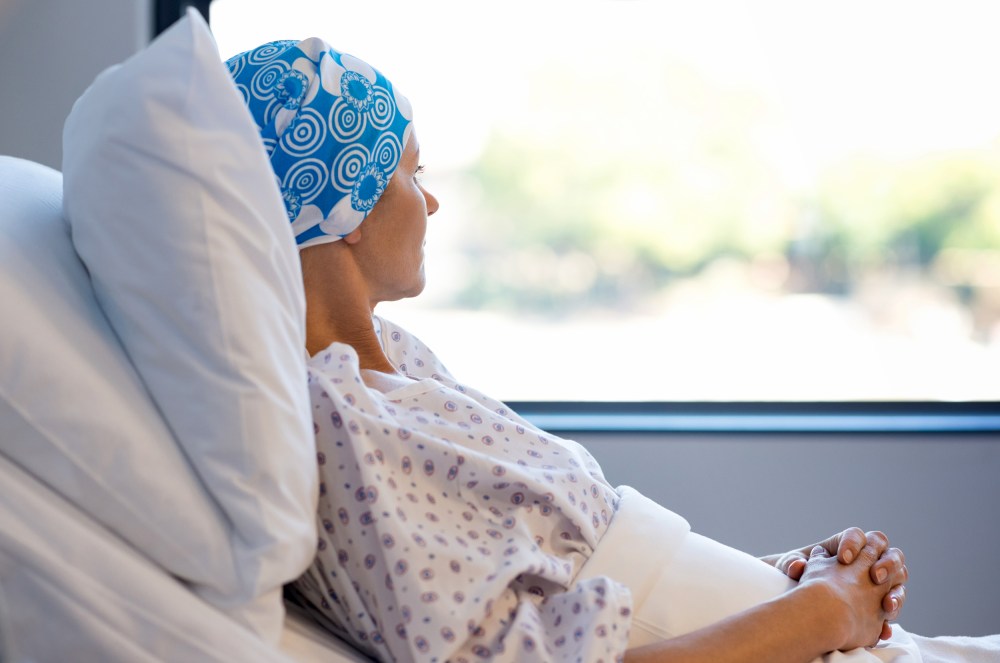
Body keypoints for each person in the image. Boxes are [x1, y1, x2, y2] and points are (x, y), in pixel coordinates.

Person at [226, 38, 999, 663]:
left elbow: (578, 569)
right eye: (409, 171)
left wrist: (783, 575)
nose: (430, 199)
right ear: (347, 201)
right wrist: (822, 612)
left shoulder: (397, 361)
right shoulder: (336, 419)